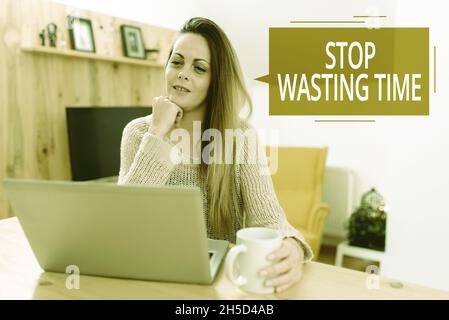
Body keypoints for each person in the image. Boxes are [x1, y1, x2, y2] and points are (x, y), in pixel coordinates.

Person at [118, 17, 313, 293]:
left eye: (199, 68)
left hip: (221, 288)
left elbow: (268, 219)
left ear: (215, 80)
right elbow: (121, 222)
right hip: (149, 282)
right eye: (177, 62)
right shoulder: (138, 134)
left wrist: (292, 245)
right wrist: (157, 135)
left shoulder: (241, 136)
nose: (183, 73)